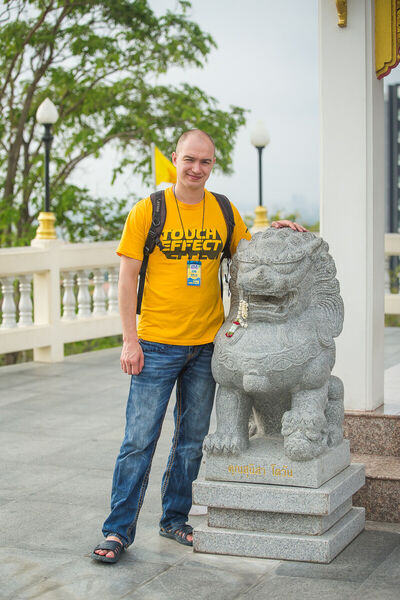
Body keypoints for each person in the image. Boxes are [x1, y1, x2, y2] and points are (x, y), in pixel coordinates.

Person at [92, 129, 306, 563]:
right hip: (156, 344)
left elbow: (249, 255)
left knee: (191, 441)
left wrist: (276, 232)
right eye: (189, 159)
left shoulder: (223, 210)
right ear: (175, 159)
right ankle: (117, 531)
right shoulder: (149, 210)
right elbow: (127, 277)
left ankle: (175, 519)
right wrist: (130, 340)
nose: (196, 168)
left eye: (205, 161)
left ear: (212, 165)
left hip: (206, 345)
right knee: (138, 441)